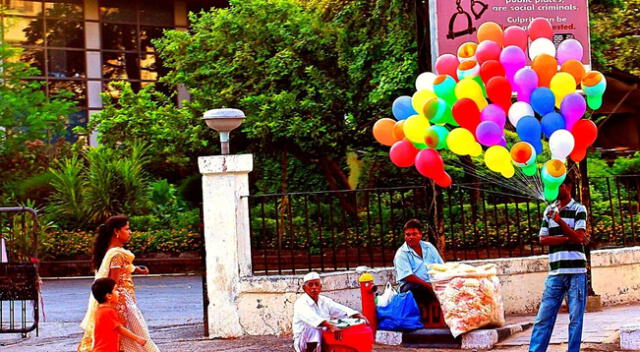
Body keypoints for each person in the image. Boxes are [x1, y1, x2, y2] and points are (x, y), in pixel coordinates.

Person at [78, 215, 160, 352]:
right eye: (127, 229)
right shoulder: (117, 255)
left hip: (122, 301)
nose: (130, 232)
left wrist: (136, 269)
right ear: (117, 231)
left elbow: (123, 268)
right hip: (122, 303)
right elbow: (112, 284)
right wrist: (116, 308)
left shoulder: (111, 253)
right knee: (131, 340)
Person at [529, 173, 589, 352]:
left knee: (575, 318)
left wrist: (559, 221)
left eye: (559, 185)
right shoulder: (548, 211)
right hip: (555, 272)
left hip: (577, 271)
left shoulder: (579, 209)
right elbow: (542, 239)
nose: (554, 189)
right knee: (543, 317)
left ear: (568, 186)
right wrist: (565, 238)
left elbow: (579, 237)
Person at [292, 272, 368, 352]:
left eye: (316, 284)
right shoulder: (300, 303)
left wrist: (356, 315)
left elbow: (339, 309)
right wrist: (330, 325)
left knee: (341, 325)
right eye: (310, 285)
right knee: (314, 328)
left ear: (320, 287)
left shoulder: (324, 300)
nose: (314, 287)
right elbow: (311, 318)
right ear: (304, 288)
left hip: (323, 336)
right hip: (303, 342)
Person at [393, 219, 444, 319]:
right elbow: (408, 277)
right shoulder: (401, 253)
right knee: (417, 288)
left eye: (414, 234)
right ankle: (428, 318)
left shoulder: (429, 247)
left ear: (420, 234)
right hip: (412, 286)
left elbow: (441, 267)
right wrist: (429, 286)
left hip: (432, 283)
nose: (411, 237)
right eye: (408, 235)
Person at [91, 278, 147, 352]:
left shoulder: (99, 310)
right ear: (109, 296)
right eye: (115, 290)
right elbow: (119, 328)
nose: (118, 292)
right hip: (106, 349)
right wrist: (137, 338)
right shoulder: (108, 311)